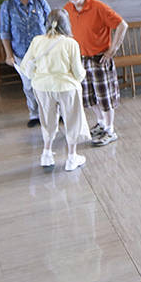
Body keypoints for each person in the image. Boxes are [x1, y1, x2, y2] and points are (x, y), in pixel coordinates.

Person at [20, 9, 90, 171]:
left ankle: (46, 154)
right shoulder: (70, 43)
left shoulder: (37, 40)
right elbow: (78, 72)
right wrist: (81, 76)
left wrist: (38, 76)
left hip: (42, 87)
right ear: (66, 24)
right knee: (72, 120)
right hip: (66, 87)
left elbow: (25, 66)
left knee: (47, 119)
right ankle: (72, 157)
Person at [62, 0, 127, 146]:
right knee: (89, 97)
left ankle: (110, 130)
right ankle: (101, 123)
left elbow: (122, 25)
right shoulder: (66, 9)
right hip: (80, 60)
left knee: (104, 97)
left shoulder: (98, 7)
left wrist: (113, 49)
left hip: (99, 60)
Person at [0, 0, 51, 127]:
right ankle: (34, 114)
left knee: (47, 84)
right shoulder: (7, 6)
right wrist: (9, 55)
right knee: (29, 85)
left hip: (43, 52)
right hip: (21, 53)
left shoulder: (40, 1)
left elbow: (50, 25)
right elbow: (4, 32)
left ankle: (54, 112)